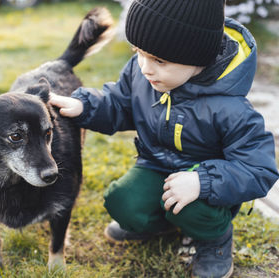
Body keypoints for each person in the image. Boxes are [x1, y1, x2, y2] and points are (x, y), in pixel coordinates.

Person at [50, 0, 279, 277]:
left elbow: (259, 169)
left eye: (159, 60)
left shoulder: (231, 109)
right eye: (138, 53)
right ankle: (164, 222)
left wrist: (201, 182)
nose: (146, 68)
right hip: (156, 165)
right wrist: (86, 106)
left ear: (198, 57)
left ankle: (214, 241)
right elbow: (120, 103)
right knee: (122, 203)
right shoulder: (142, 73)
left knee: (192, 209)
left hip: (207, 186)